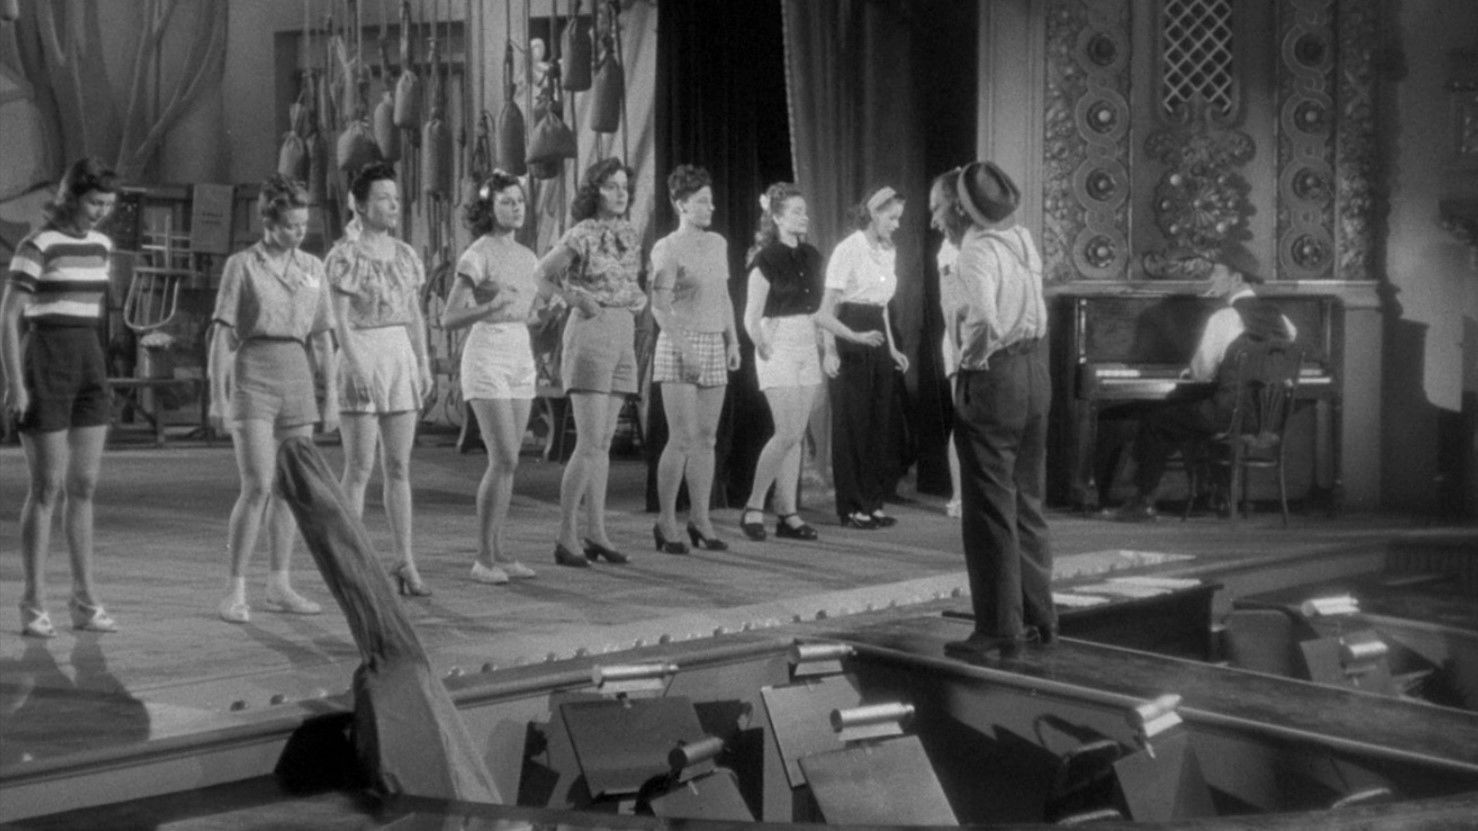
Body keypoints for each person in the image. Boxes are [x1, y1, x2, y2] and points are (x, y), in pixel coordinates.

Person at [935, 161, 1057, 661]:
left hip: (997, 378)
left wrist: (969, 361)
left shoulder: (975, 252)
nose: (934, 219)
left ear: (960, 210)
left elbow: (985, 319)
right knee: (1027, 501)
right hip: (1034, 372)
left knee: (989, 508)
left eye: (938, 208)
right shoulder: (1022, 241)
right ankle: (1039, 617)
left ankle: (999, 628)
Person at [210, 174, 338, 623]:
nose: (298, 233)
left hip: (296, 374)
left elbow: (323, 338)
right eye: (288, 226)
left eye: (303, 226)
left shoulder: (313, 267)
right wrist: (217, 397)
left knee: (289, 488)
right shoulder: (242, 265)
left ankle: (279, 584)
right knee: (258, 484)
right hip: (254, 372)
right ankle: (234, 589)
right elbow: (221, 336)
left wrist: (331, 396)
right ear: (267, 221)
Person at [1, 157, 121, 637]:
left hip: (89, 364)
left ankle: (85, 601)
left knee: (84, 486)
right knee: (47, 487)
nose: (101, 212)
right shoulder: (37, 245)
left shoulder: (102, 246)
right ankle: (33, 603)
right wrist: (16, 383)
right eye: (94, 203)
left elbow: (92, 310)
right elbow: (9, 316)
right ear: (71, 198)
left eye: (108, 204)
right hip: (46, 362)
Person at [1112, 254, 1297, 521]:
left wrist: (1191, 373)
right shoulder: (1283, 320)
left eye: (1216, 273)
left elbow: (1202, 372)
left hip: (1228, 415)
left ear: (1235, 278)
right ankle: (1218, 495)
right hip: (1267, 417)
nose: (1210, 279)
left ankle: (1143, 502)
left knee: (1157, 421)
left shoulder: (1224, 318)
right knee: (1196, 414)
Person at [739, 183, 876, 542]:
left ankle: (788, 514)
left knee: (796, 436)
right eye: (796, 211)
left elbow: (820, 312)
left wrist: (849, 337)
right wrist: (760, 342)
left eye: (805, 210)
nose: (805, 216)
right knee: (786, 432)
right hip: (777, 342)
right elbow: (751, 316)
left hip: (805, 343)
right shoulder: (765, 259)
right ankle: (754, 505)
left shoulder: (813, 257)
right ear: (777, 217)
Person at [325, 163, 434, 595]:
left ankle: (404, 560)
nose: (393, 205)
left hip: (398, 353)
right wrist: (356, 367)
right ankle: (349, 564)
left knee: (399, 466)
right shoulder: (345, 256)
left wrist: (423, 362)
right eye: (384, 198)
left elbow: (415, 315)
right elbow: (339, 321)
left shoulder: (405, 254)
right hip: (362, 352)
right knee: (359, 467)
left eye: (395, 198)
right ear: (360, 204)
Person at [533, 157, 646, 567]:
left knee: (605, 443)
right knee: (590, 442)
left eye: (624, 187)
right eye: (611, 186)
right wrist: (573, 298)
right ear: (595, 191)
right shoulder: (581, 233)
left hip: (623, 332)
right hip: (591, 333)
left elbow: (628, 282)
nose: (620, 193)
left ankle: (596, 532)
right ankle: (566, 535)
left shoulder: (629, 234)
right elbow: (540, 275)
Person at [441, 171, 541, 584]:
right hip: (487, 354)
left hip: (520, 352)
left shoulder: (529, 257)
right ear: (489, 208)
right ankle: (482, 558)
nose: (515, 208)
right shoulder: (477, 254)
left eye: (519, 201)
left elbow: (526, 312)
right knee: (504, 459)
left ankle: (499, 551)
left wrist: (543, 314)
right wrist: (490, 306)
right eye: (506, 202)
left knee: (511, 463)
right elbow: (449, 317)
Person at [649, 165, 742, 554]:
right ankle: (666, 521)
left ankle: (700, 520)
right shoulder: (667, 247)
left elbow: (723, 295)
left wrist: (732, 340)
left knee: (707, 438)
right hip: (679, 342)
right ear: (681, 204)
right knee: (682, 438)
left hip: (713, 341)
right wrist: (685, 348)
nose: (711, 207)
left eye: (711, 200)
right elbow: (658, 305)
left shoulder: (718, 243)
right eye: (702, 201)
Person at [818, 186, 909, 530]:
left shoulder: (888, 251)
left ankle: (873, 502)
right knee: (852, 424)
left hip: (877, 337)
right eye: (892, 217)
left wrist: (892, 348)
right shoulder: (848, 249)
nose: (896, 224)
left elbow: (882, 306)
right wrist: (830, 349)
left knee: (877, 424)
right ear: (873, 213)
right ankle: (853, 506)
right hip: (849, 333)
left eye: (899, 218)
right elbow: (827, 310)